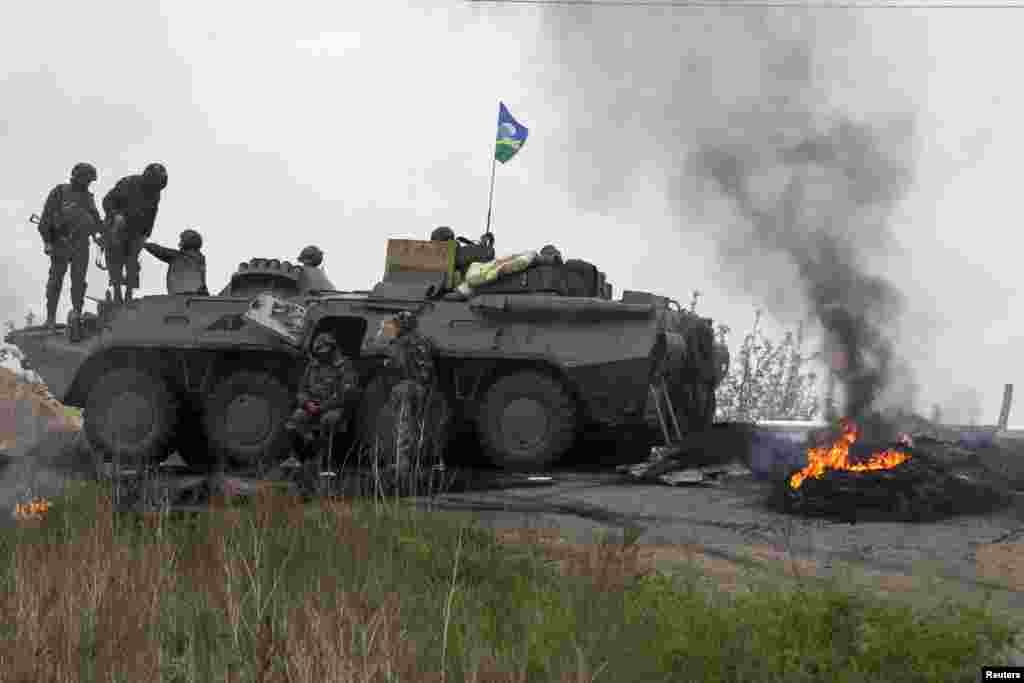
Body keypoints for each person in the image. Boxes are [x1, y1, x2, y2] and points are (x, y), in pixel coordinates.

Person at [377, 310, 448, 474]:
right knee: (422, 425)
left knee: (402, 424)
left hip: (405, 388)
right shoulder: (425, 341)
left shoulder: (399, 343)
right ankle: (427, 461)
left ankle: (402, 462)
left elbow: (393, 367)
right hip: (423, 388)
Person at [37, 163, 104, 331]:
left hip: (81, 245)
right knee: (55, 281)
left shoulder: (88, 197)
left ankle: (77, 315)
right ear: (77, 177)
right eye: (86, 180)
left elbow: (96, 220)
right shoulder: (60, 192)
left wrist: (100, 234)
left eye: (90, 181)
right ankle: (50, 318)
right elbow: (46, 219)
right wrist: (47, 242)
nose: (88, 183)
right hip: (61, 243)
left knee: (79, 282)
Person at [284, 331, 361, 470]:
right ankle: (296, 458)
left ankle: (327, 463)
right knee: (295, 420)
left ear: (332, 349)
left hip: (334, 407)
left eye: (324, 351)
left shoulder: (344, 366)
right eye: (318, 352)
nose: (321, 355)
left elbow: (345, 396)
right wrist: (307, 403)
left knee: (328, 420)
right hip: (312, 405)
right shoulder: (312, 366)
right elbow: (302, 390)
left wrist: (321, 407)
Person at [102, 163, 168, 304]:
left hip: (137, 230)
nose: (156, 188)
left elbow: (152, 213)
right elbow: (107, 201)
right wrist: (115, 215)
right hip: (117, 227)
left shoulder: (155, 192)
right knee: (116, 259)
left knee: (132, 262)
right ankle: (117, 294)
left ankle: (129, 294)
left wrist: (146, 234)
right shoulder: (128, 183)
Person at [141, 229, 209, 295]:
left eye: (182, 240)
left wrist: (143, 243)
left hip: (183, 294)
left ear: (188, 241)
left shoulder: (179, 256)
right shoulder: (199, 259)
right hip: (195, 294)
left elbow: (160, 251)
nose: (180, 242)